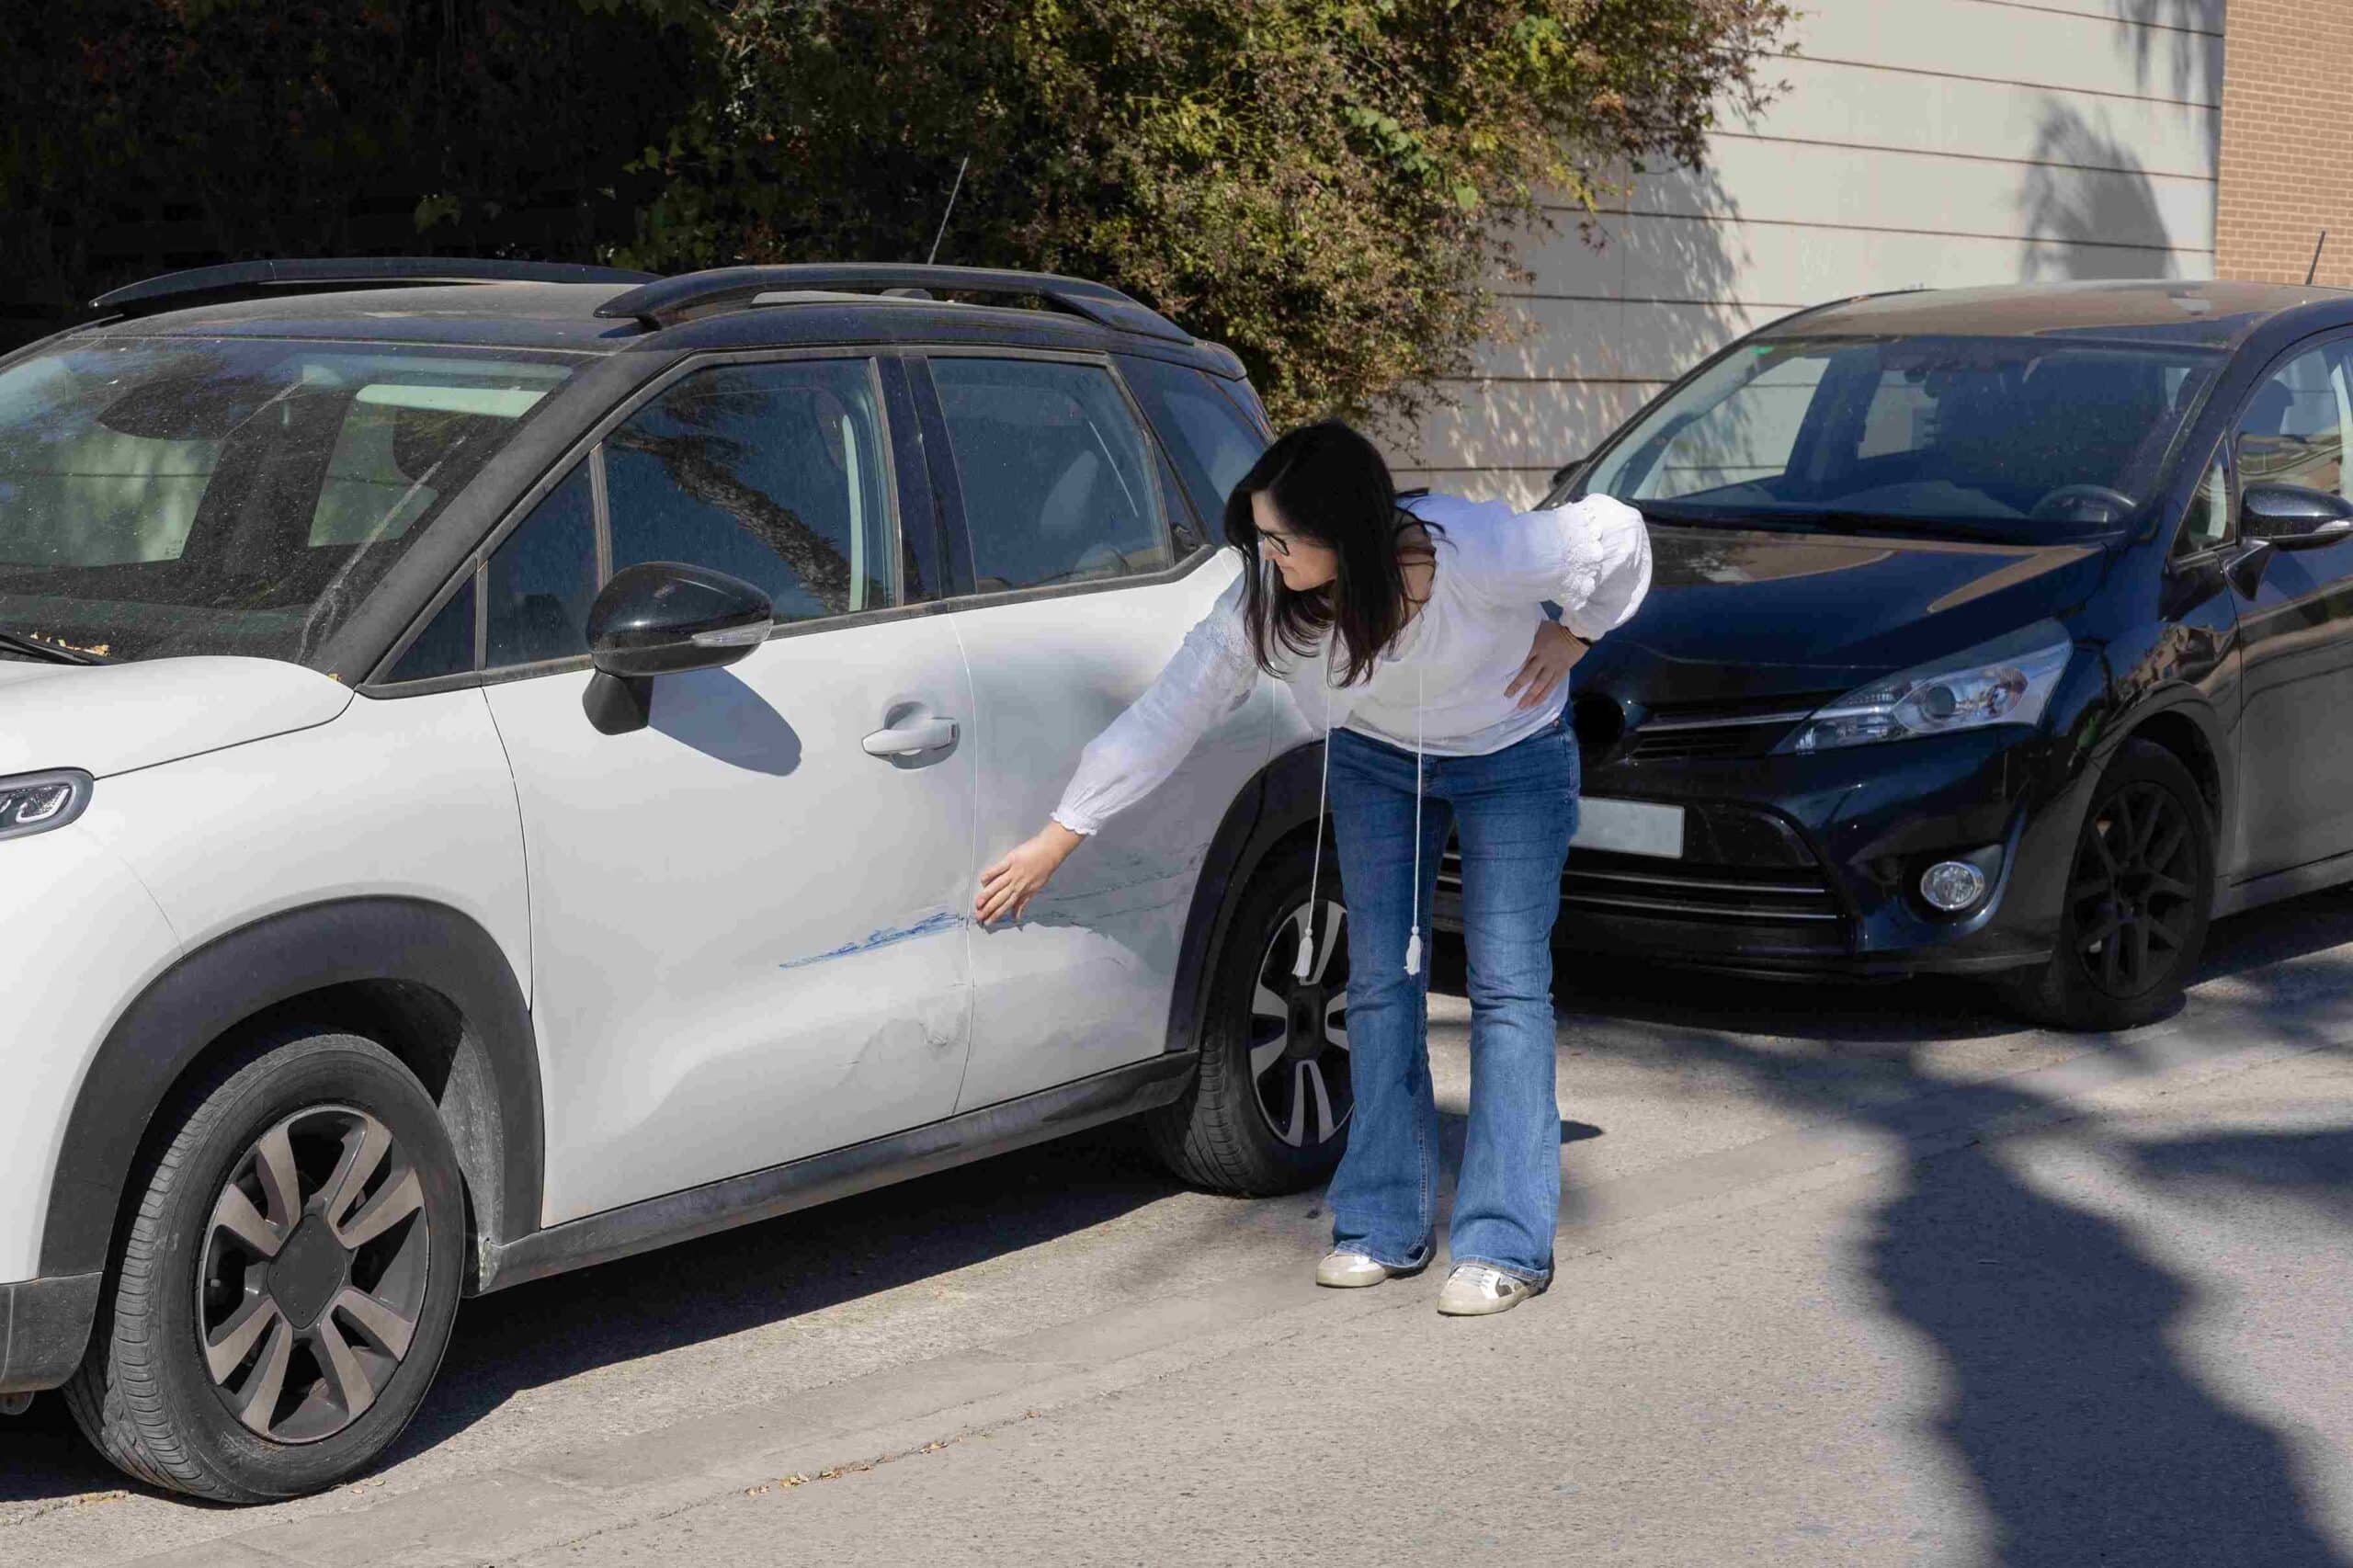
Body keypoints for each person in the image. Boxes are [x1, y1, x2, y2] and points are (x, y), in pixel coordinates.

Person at [975, 420, 1651, 1316]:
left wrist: (1580, 634)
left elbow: (1618, 533)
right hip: (1377, 758)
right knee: (1377, 984)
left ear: (1349, 532)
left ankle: (1505, 1243)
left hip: (1511, 754)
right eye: (1260, 536)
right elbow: (1169, 714)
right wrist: (1061, 834)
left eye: (1283, 539)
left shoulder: (1478, 550)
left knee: (1507, 987)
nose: (1267, 555)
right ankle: (1381, 1223)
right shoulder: (1264, 604)